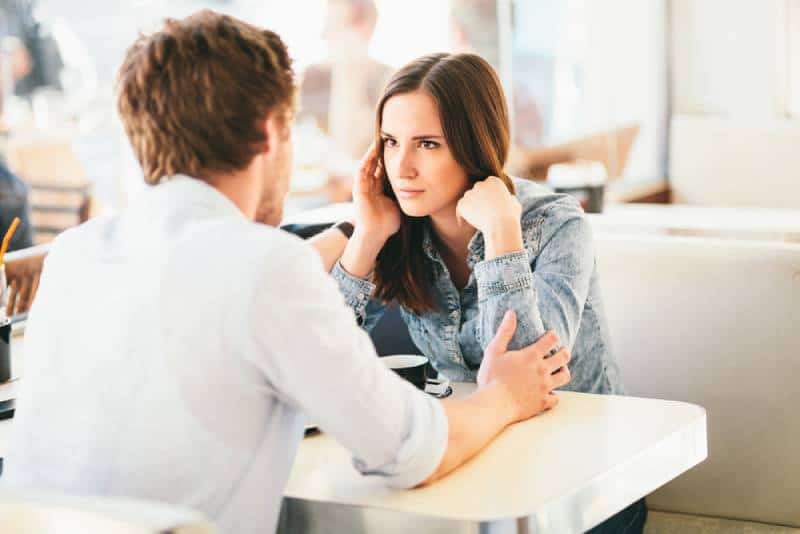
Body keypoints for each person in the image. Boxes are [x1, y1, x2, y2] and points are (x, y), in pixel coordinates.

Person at [1, 11, 572, 534]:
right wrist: (504, 396)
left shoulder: (74, 255)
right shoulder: (263, 266)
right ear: (271, 133)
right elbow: (412, 453)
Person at [325, 52, 646, 532]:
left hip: (585, 480)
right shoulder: (399, 223)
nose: (402, 167)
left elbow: (526, 374)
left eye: (427, 144)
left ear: (474, 145)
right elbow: (323, 349)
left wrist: (501, 234)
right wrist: (367, 236)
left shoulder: (557, 224)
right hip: (476, 461)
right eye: (391, 142)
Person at [297, 0, 392, 202]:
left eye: (332, 25)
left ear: (362, 30)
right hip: (316, 195)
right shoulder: (311, 78)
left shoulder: (387, 81)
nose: (323, 34)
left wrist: (349, 74)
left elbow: (353, 148)